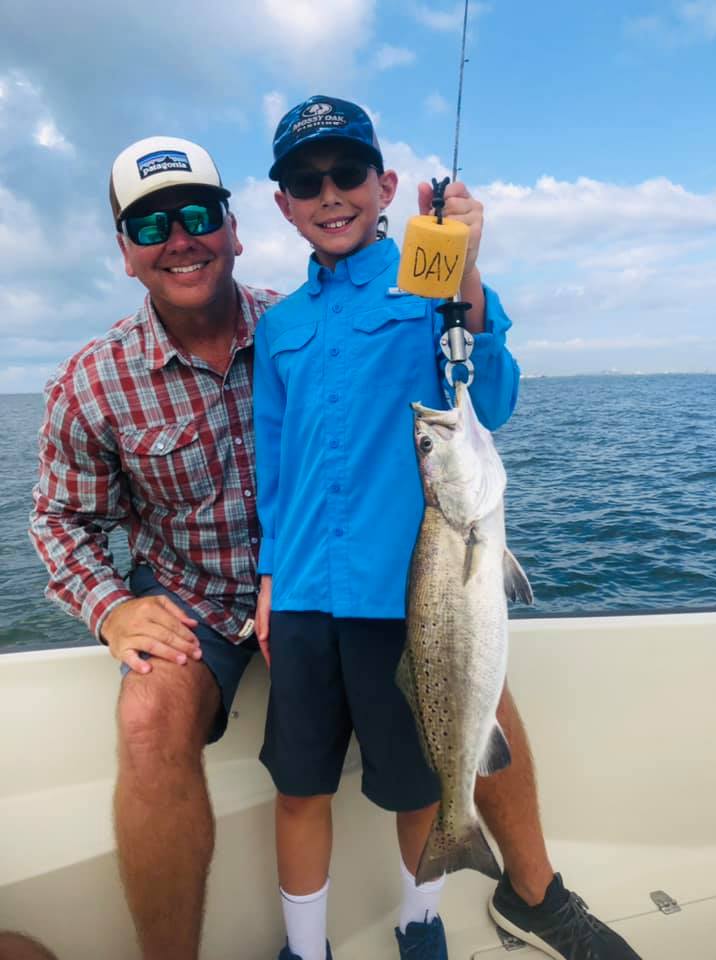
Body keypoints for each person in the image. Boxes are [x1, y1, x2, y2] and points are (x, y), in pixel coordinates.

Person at [253, 96, 642, 960]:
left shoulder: (428, 280)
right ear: (282, 205)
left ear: (384, 183)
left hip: (410, 593)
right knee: (299, 789)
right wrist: (272, 577)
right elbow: (273, 470)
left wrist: (465, 272)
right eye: (305, 182)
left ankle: (420, 919)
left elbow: (493, 397)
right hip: (310, 595)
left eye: (348, 173)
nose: (330, 194)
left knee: (416, 788)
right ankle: (304, 948)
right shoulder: (279, 326)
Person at [29, 136, 280, 960]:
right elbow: (60, 521)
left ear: (234, 229)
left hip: (310, 585)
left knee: (461, 651)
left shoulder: (300, 333)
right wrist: (111, 608)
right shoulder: (90, 382)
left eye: (197, 214)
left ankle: (535, 892)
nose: (179, 238)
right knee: (145, 722)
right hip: (193, 599)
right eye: (150, 225)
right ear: (126, 255)